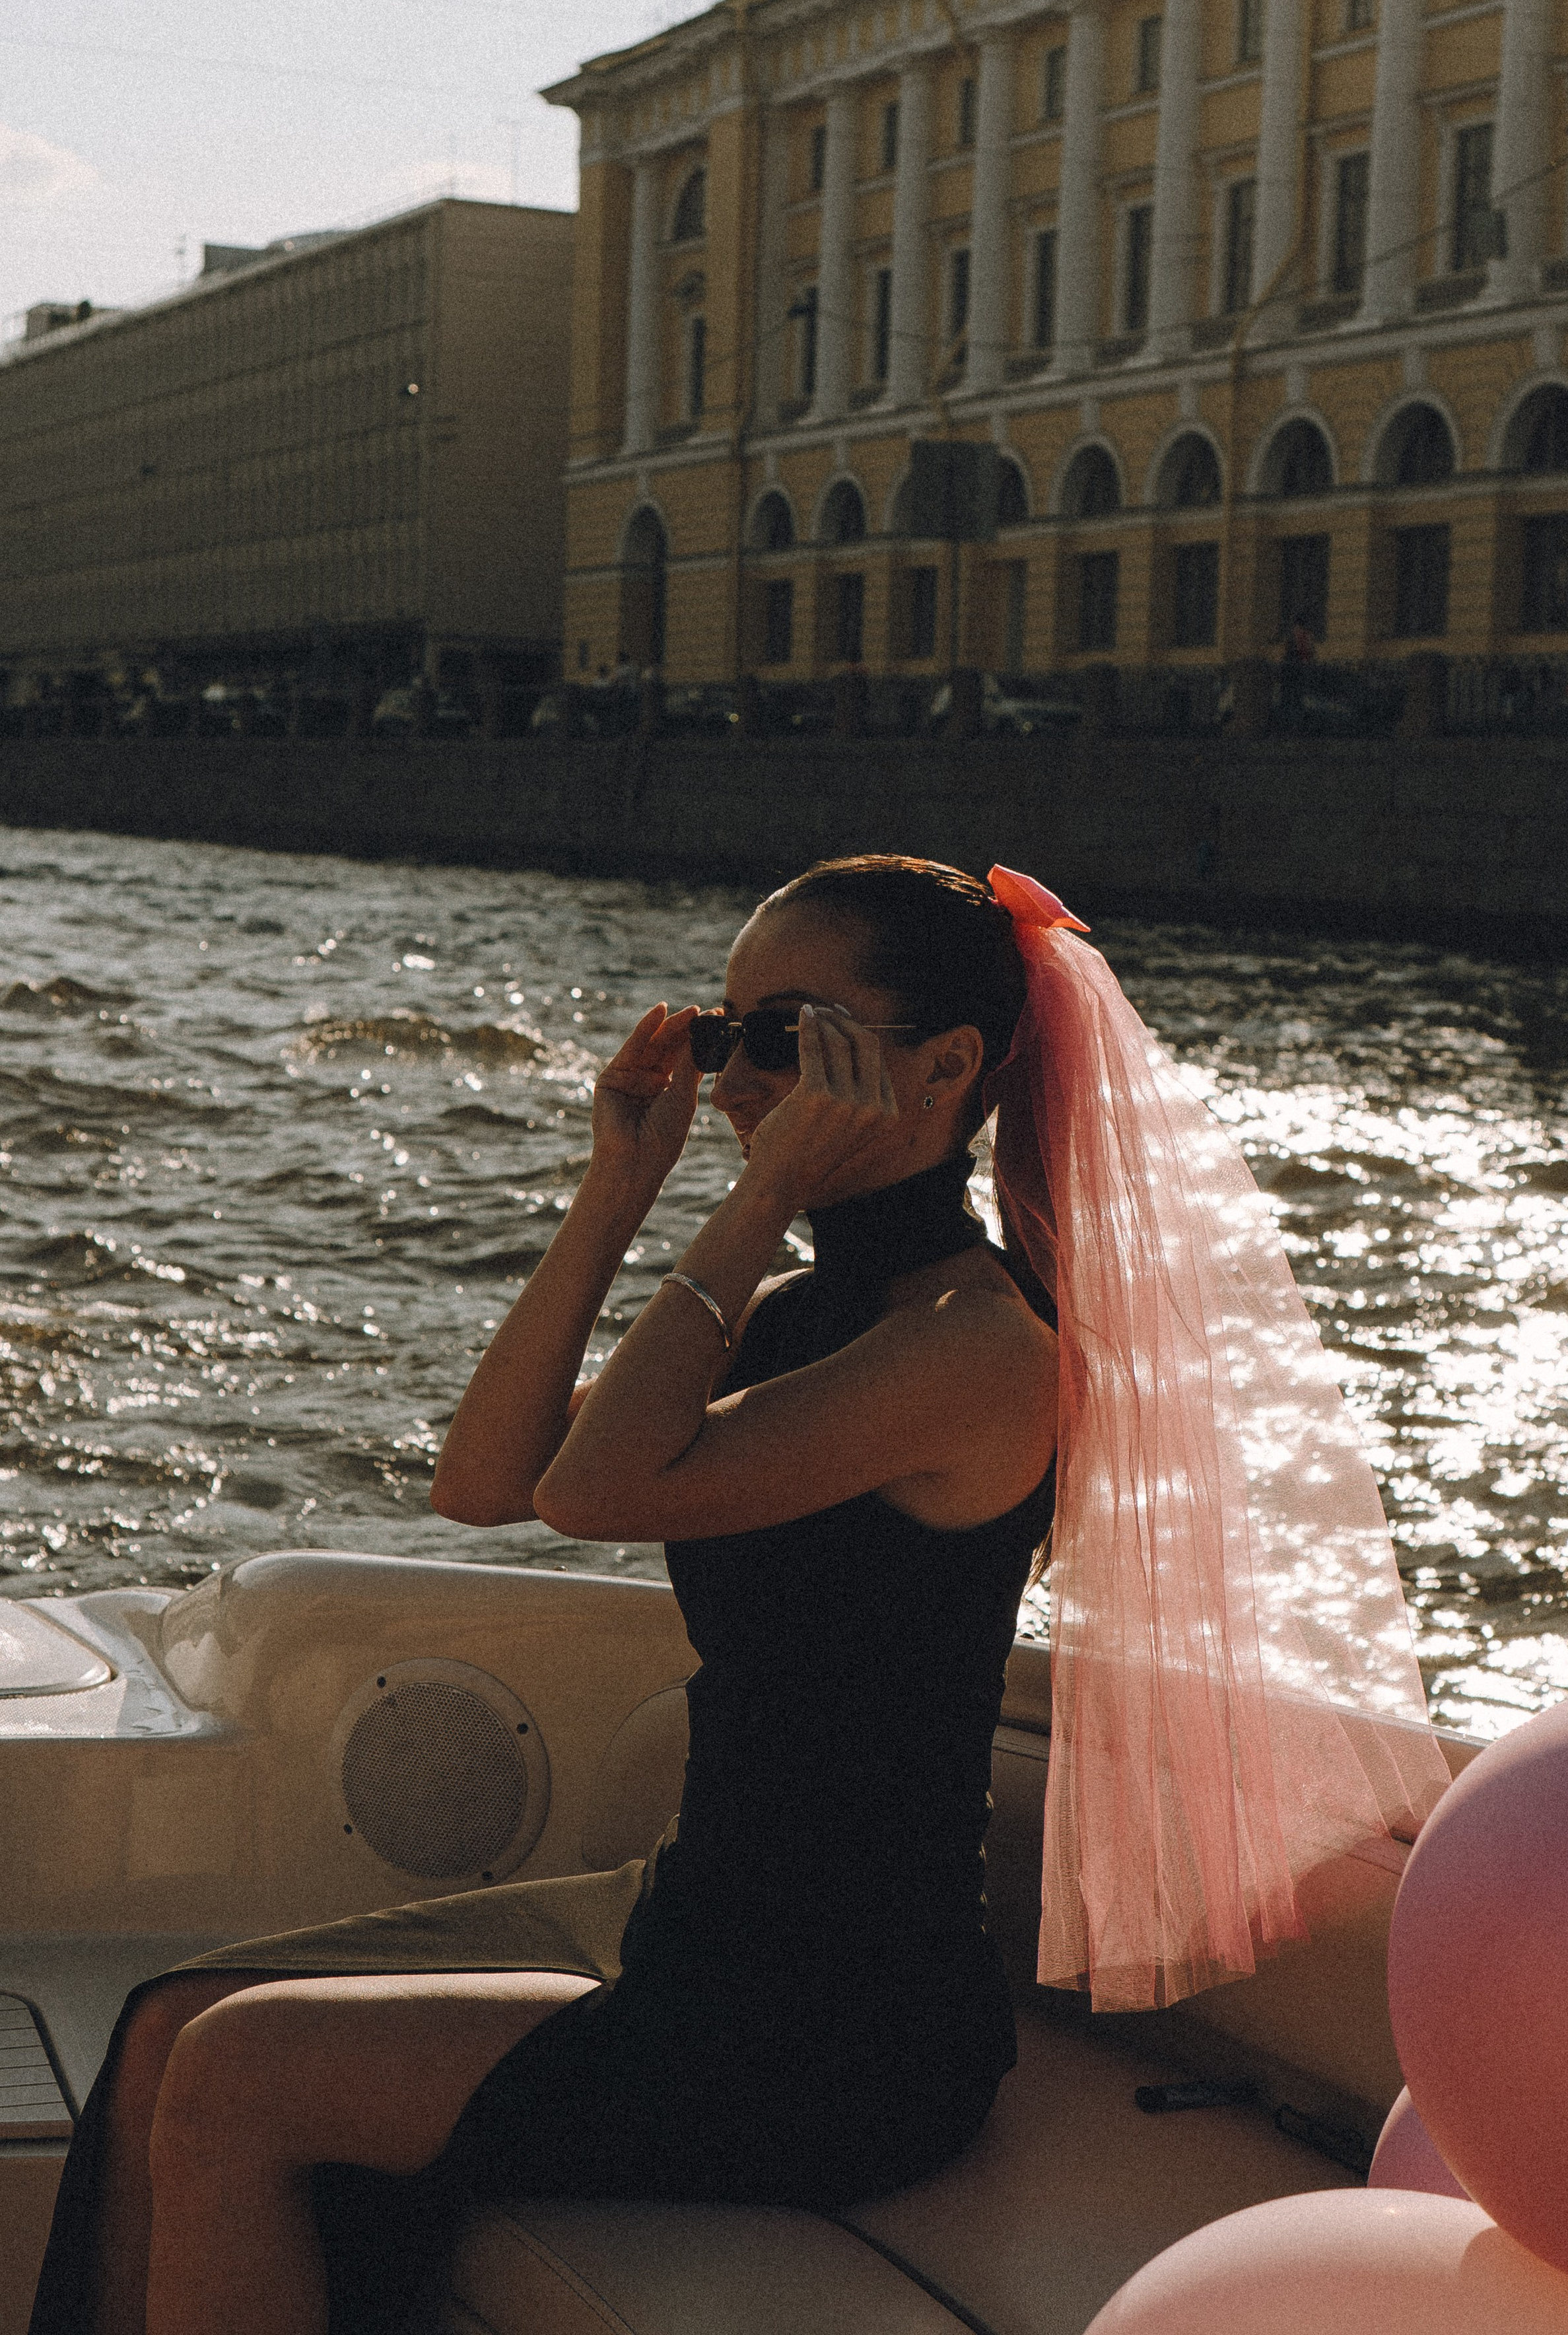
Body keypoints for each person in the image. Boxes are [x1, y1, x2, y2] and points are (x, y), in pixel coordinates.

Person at [31, 854, 1449, 2335]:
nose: (733, 1074)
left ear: (943, 1065)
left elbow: (592, 1498)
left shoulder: (972, 1349)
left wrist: (760, 1192)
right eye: (723, 1033)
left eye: (782, 1037)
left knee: (237, 2076)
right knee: (165, 2027)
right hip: (707, 1931)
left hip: (839, 2031)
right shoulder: (800, 1312)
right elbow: (488, 1475)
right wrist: (616, 1185)